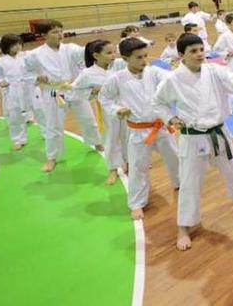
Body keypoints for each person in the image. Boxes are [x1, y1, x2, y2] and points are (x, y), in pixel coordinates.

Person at [152, 33, 233, 250]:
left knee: (231, 167)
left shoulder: (213, 71)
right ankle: (184, 226)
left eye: (201, 50)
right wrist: (171, 118)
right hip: (193, 136)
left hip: (218, 131)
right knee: (189, 181)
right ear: (181, 55)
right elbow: (157, 103)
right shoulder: (173, 79)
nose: (199, 54)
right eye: (193, 51)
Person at [101, 37, 180, 220]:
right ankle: (136, 203)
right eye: (139, 57)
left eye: (146, 56)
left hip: (160, 126)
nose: (144, 61)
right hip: (137, 130)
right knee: (137, 167)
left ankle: (180, 182)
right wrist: (117, 109)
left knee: (175, 156)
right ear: (125, 58)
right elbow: (105, 98)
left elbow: (172, 79)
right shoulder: (117, 79)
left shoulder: (154, 72)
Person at [25, 20, 103, 172]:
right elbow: (25, 71)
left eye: (61, 31)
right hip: (54, 90)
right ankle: (52, 157)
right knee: (53, 124)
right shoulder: (35, 54)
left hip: (74, 88)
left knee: (88, 118)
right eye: (54, 32)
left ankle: (97, 142)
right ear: (44, 35)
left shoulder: (71, 48)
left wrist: (97, 45)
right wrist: (37, 78)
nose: (60, 34)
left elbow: (85, 52)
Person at [71, 40, 128, 185]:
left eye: (114, 52)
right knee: (110, 139)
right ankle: (113, 169)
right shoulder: (87, 74)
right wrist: (92, 91)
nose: (113, 55)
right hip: (107, 112)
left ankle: (128, 162)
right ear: (96, 55)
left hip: (126, 108)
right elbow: (76, 90)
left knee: (128, 137)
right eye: (109, 53)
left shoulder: (120, 64)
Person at [0, 34, 38, 150]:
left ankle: (47, 133)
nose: (18, 47)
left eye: (19, 44)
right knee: (15, 117)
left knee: (40, 110)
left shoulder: (26, 56)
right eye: (14, 45)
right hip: (13, 91)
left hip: (29, 87)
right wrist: (1, 82)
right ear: (7, 46)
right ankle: (18, 139)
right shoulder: (0, 61)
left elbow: (34, 67)